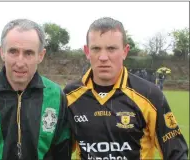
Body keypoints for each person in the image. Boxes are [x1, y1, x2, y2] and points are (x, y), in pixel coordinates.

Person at [64, 17, 188, 160]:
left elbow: (176, 153)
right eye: (96, 49)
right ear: (87, 51)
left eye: (111, 49)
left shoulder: (150, 95)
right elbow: (57, 151)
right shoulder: (69, 96)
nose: (103, 57)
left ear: (125, 51)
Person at [0, 19, 71, 160]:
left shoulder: (55, 95)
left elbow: (62, 150)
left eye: (28, 53)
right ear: (2, 52)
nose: (20, 62)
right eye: (13, 52)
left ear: (41, 55)